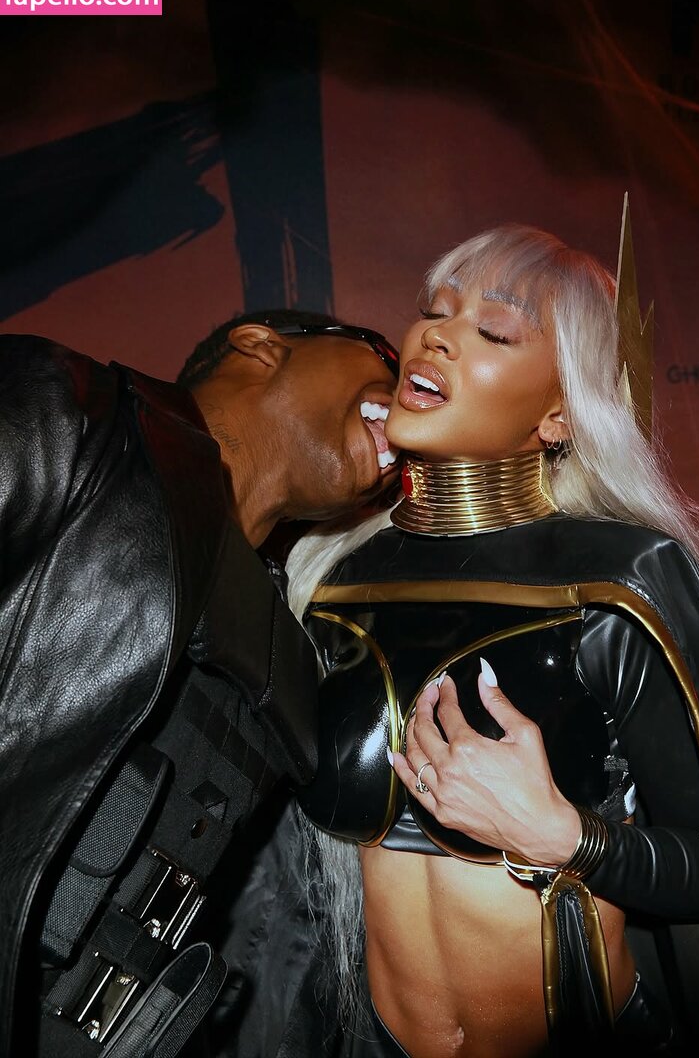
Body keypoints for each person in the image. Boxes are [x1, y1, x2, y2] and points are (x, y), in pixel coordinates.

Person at [258, 227, 699, 1058]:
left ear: (560, 413)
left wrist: (568, 839)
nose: (436, 337)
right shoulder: (328, 579)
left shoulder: (618, 581)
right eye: (434, 312)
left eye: (494, 330)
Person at [0, 309, 400, 1058]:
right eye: (385, 357)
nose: (407, 397)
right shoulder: (69, 409)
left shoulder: (295, 656)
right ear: (260, 345)